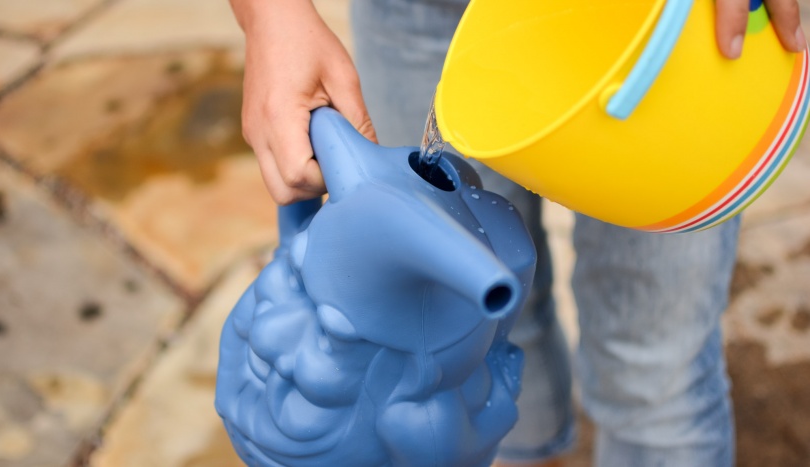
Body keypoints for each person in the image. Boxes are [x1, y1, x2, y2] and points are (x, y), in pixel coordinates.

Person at [228, 0, 806, 465]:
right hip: (419, 12)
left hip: (658, 36)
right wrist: (270, 12)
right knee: (488, 338)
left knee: (657, 375)